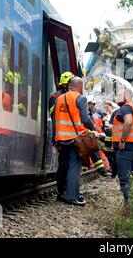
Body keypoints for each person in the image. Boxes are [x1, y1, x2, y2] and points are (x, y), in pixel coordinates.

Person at [52, 77, 96, 206]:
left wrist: (55, 139)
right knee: (74, 167)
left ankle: (68, 193)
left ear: (69, 85)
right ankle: (71, 197)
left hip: (62, 138)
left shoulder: (59, 99)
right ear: (80, 87)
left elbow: (55, 120)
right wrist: (93, 127)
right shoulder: (80, 98)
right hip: (75, 138)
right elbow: (85, 118)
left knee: (65, 166)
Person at [111, 87, 133, 203]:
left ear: (127, 97)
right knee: (131, 180)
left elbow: (128, 122)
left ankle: (129, 208)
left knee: (125, 180)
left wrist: (122, 140)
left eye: (119, 95)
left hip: (125, 148)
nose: (117, 97)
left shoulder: (125, 108)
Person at [48, 71, 74, 199]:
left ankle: (66, 190)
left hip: (68, 136)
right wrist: (55, 140)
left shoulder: (66, 97)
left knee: (68, 164)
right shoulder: (55, 98)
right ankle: (61, 191)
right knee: (64, 164)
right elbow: (55, 119)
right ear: (66, 85)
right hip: (61, 137)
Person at [85, 96, 110, 176]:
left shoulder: (94, 114)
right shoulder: (86, 114)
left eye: (93, 104)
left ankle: (103, 170)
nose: (93, 106)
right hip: (90, 137)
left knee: (97, 153)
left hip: (95, 137)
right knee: (92, 154)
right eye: (92, 104)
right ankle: (101, 170)